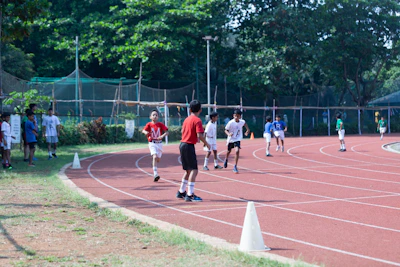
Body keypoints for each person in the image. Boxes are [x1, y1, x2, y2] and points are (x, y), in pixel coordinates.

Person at [176, 100, 210, 202]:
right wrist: (206, 143)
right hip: (189, 145)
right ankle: (190, 194)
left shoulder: (186, 119)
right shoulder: (197, 120)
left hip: (182, 144)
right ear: (200, 110)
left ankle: (181, 191)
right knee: (194, 170)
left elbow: (182, 131)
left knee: (188, 170)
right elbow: (200, 135)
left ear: (190, 109)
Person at [142, 109, 169, 182]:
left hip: (159, 143)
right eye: (153, 115)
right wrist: (146, 133)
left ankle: (154, 163)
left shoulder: (160, 124)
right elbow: (144, 130)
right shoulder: (149, 124)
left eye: (156, 115)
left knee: (158, 159)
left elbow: (167, 132)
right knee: (154, 156)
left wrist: (162, 136)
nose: (155, 116)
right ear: (150, 117)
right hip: (152, 143)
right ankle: (155, 174)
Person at [223, 109, 250, 173]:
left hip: (237, 139)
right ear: (233, 116)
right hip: (231, 139)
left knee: (237, 151)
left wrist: (248, 130)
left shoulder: (242, 121)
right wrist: (229, 134)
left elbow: (245, 124)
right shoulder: (230, 122)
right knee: (228, 151)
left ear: (240, 117)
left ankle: (235, 166)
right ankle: (226, 159)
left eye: (237, 116)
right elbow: (225, 130)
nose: (236, 117)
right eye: (235, 116)